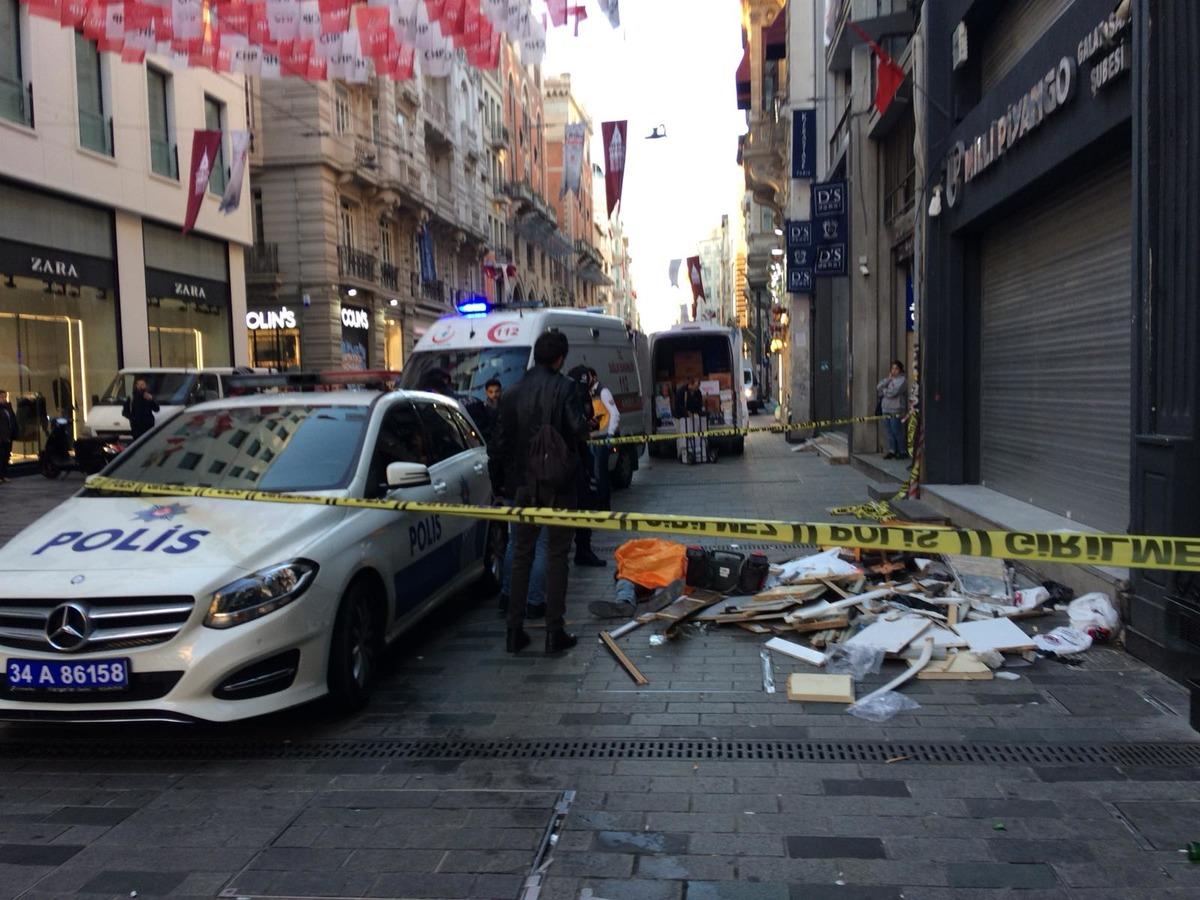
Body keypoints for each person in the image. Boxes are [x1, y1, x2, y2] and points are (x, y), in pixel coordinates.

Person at [491, 331, 589, 654]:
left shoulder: (512, 392)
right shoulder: (566, 388)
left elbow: (499, 445)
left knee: (521, 553)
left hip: (521, 485)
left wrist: (501, 483)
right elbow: (578, 430)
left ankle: (513, 631)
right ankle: (553, 631)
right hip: (558, 485)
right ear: (560, 358)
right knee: (558, 555)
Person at [567, 366, 606, 568]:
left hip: (578, 456)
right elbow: (577, 427)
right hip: (575, 459)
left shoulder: (575, 395)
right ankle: (581, 549)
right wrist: (586, 424)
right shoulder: (573, 397)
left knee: (584, 505)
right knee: (582, 504)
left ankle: (583, 549)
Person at [877, 360, 908, 460]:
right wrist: (888, 380)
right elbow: (878, 387)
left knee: (896, 430)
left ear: (900, 370)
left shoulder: (902, 380)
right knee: (889, 430)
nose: (894, 371)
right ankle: (892, 450)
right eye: (893, 368)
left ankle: (902, 451)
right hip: (885, 408)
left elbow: (893, 392)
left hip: (896, 408)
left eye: (896, 368)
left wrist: (884, 391)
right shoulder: (889, 379)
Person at [0, 390, 16, 483]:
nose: (4, 399)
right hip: (1, 437)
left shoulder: (7, 408)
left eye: (5, 397)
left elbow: (12, 420)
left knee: (6, 456)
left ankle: (3, 475)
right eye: (2, 397)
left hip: (7, 437)